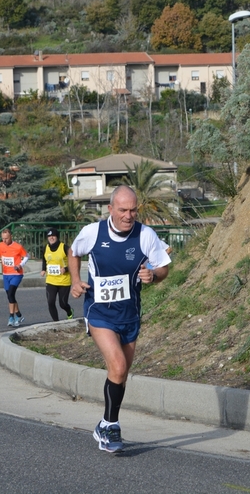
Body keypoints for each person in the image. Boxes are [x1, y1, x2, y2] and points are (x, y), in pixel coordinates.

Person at [68, 185, 171, 453]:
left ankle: (104, 424)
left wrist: (153, 275)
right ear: (110, 209)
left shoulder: (146, 235)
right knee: (117, 364)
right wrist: (76, 281)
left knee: (121, 374)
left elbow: (162, 267)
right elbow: (73, 252)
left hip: (130, 315)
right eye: (123, 210)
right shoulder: (93, 232)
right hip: (100, 313)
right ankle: (111, 425)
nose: (128, 215)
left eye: (133, 210)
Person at [0, 228, 29, 327]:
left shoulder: (18, 247)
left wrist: (20, 265)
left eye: (6, 238)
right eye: (3, 238)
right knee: (10, 296)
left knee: (11, 293)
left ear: (11, 236)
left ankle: (11, 317)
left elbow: (26, 256)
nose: (4, 241)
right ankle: (19, 315)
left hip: (16, 274)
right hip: (6, 275)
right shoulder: (0, 245)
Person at [40, 228, 74, 321]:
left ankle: (69, 311)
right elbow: (44, 259)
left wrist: (66, 269)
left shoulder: (64, 247)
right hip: (51, 280)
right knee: (50, 302)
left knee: (62, 304)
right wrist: (43, 269)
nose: (51, 238)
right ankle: (56, 323)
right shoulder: (45, 248)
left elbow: (73, 260)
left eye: (53, 236)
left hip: (64, 280)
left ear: (57, 237)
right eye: (49, 236)